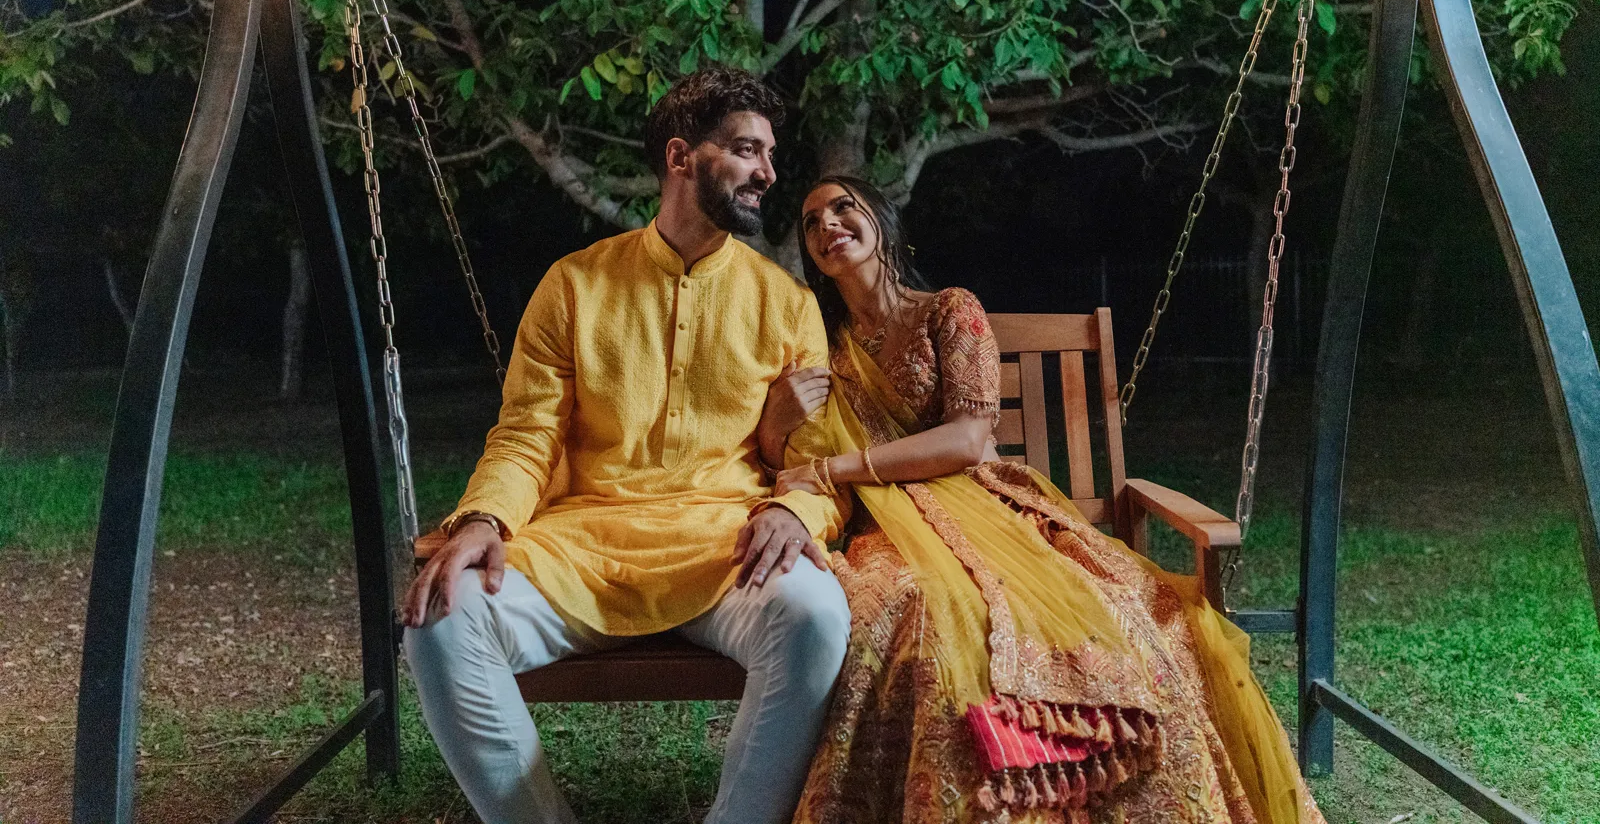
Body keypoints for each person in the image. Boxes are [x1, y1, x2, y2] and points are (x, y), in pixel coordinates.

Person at [756, 174, 1325, 824]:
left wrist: (842, 466)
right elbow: (786, 465)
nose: (826, 224)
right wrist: (777, 421)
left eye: (842, 208)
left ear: (880, 221)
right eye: (809, 220)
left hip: (987, 504)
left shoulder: (948, 309)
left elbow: (970, 437)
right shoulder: (823, 348)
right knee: (900, 607)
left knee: (1120, 609)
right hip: (891, 526)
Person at [402, 68, 851, 824]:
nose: (769, 173)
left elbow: (815, 454)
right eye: (746, 150)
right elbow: (526, 432)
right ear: (681, 157)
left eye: (770, 155)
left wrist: (799, 511)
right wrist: (484, 519)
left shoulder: (788, 303)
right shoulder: (574, 286)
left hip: (723, 547)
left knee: (816, 615)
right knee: (441, 619)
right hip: (582, 545)